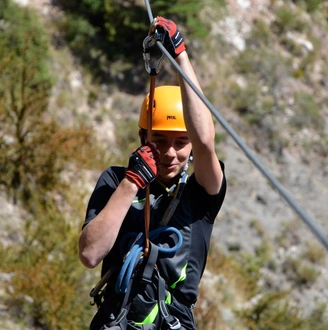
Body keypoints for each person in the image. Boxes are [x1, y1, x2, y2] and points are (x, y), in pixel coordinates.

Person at [79, 16, 226, 330]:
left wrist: (180, 54)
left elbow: (204, 140)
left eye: (180, 142)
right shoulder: (115, 180)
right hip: (115, 320)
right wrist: (132, 184)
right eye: (160, 140)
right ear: (142, 138)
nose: (171, 152)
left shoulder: (202, 190)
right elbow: (90, 253)